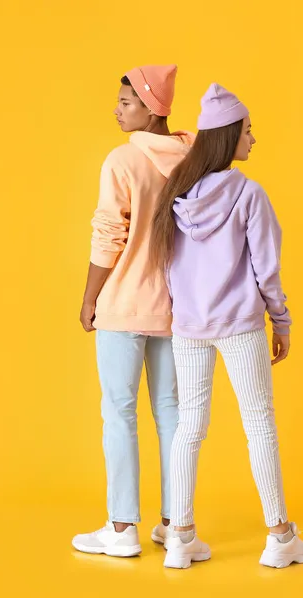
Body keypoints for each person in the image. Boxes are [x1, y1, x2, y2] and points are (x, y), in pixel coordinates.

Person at [150, 83, 303, 569]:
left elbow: (167, 267)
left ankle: (180, 537)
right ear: (227, 136)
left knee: (188, 429)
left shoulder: (174, 195)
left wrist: (183, 314)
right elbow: (267, 267)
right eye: (247, 130)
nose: (254, 138)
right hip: (240, 324)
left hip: (189, 327)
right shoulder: (248, 194)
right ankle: (280, 537)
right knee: (259, 424)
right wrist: (280, 321)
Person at [72, 65, 194, 557]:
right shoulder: (192, 161)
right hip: (174, 308)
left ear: (151, 107)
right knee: (171, 414)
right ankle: (175, 526)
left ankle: (123, 529)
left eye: (126, 103)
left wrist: (89, 297)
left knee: (119, 413)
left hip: (123, 306)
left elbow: (109, 233)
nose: (117, 111)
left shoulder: (122, 161)